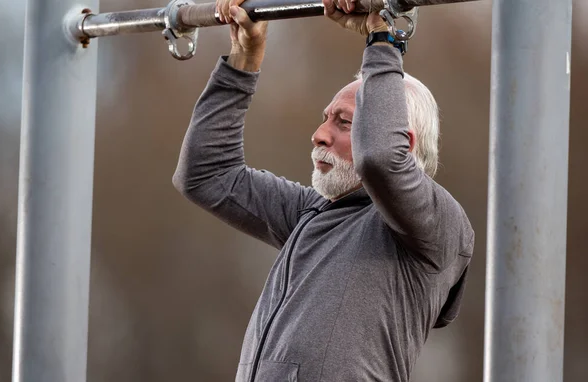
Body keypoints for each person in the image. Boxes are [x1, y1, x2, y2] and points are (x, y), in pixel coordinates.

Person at [173, 0, 474, 380]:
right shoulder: (310, 213)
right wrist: (243, 60)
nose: (319, 135)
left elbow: (380, 158)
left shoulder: (437, 223)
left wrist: (382, 37)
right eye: (325, 119)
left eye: (343, 122)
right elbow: (205, 174)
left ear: (406, 142)